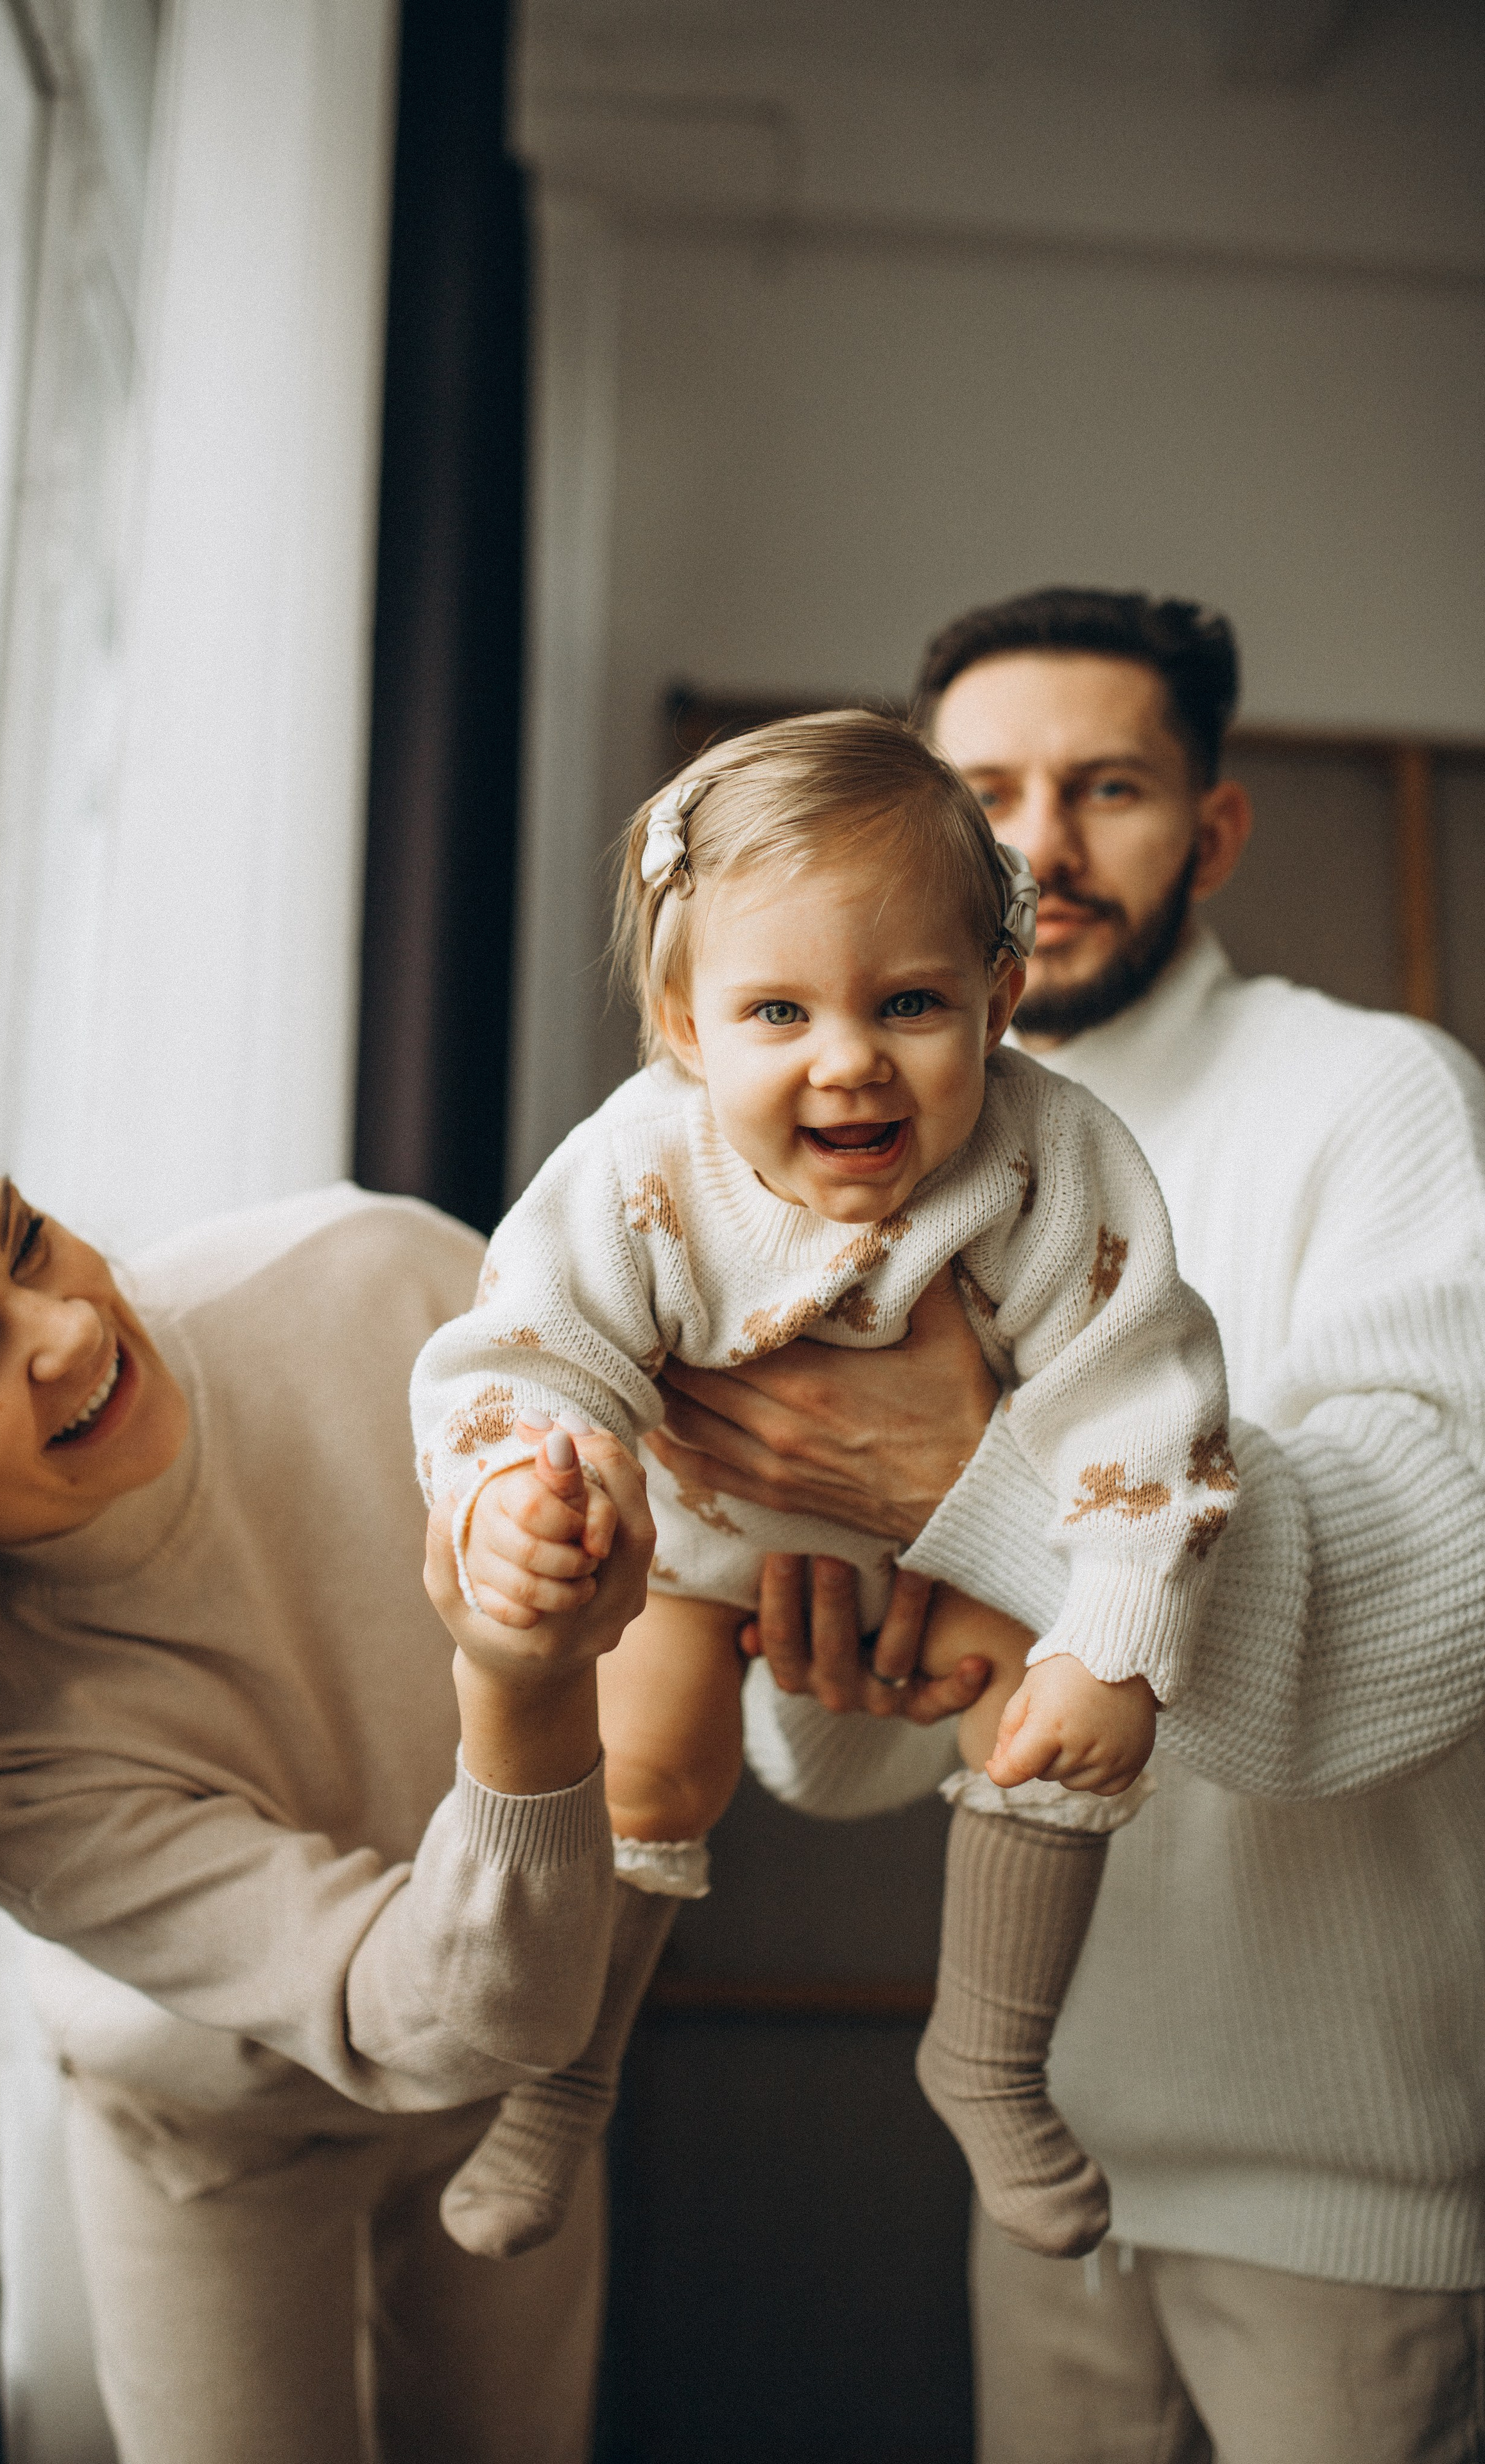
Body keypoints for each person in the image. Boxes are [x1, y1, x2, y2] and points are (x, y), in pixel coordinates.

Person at [647, 590, 1485, 2463]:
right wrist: (839, 1651)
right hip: (1040, 2132)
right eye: (990, 791)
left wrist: (971, 1476)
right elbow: (857, 1758)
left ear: (1214, 827)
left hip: (1340, 2187)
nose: (1040, 844)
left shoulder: (1378, 1102)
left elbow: (1430, 1587)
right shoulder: (878, 1136)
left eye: (1107, 787)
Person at [413, 708, 1238, 2268]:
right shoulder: (639, 1173)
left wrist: (1119, 1621)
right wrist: (521, 1492)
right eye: (776, 1011)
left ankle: (986, 2055)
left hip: (958, 1548)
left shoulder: (1050, 1167)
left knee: (1051, 1729)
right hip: (694, 1548)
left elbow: (1138, 1389)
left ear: (1000, 1000)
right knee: (644, 1763)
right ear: (682, 1021)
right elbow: (526, 1346)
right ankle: (562, 2077)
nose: (848, 1060)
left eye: (910, 1001)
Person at [0, 1082, 655, 2464]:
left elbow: (704, 1531)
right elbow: (439, 2014)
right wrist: (522, 1684)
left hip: (533, 2055)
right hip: (211, 2129)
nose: (67, 1332)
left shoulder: (374, 1278)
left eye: (27, 1239)